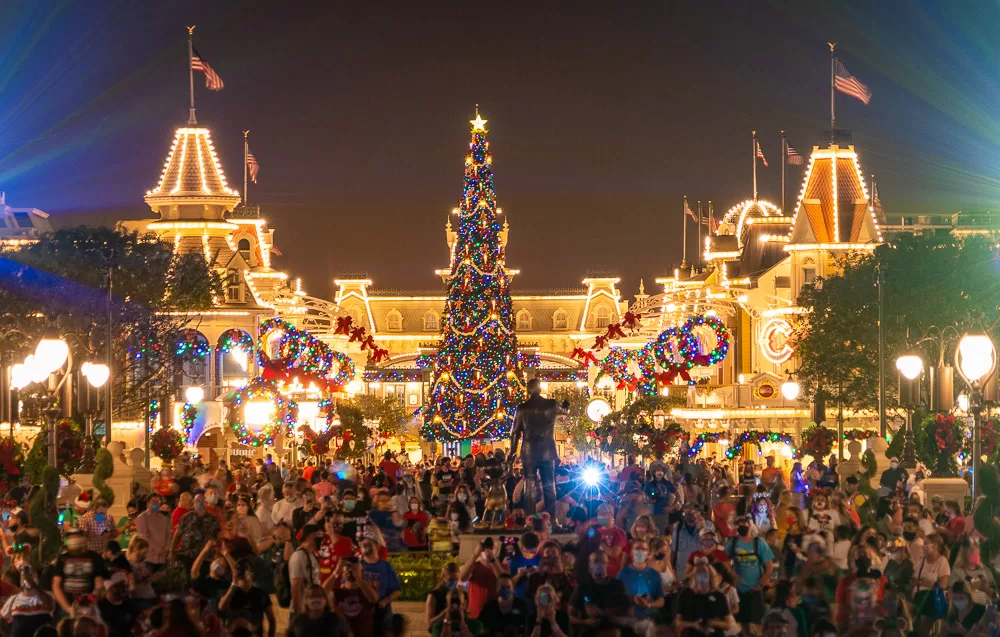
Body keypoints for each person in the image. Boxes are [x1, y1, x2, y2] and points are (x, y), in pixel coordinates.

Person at [509, 378, 569, 520]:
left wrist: (512, 452)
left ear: (528, 390)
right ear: (540, 389)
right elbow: (566, 411)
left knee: (529, 483)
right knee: (549, 484)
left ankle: (530, 519)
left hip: (529, 450)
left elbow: (515, 432)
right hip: (547, 449)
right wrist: (567, 403)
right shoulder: (551, 405)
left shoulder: (522, 408)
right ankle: (552, 520)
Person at [726, 514, 774, 635]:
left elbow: (769, 566)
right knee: (742, 624)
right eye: (739, 524)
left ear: (749, 525)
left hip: (754, 589)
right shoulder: (732, 543)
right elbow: (724, 562)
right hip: (738, 590)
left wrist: (761, 584)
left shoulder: (759, 543)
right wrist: (732, 575)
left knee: (757, 624)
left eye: (744, 523)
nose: (742, 526)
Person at [568, 550, 627, 631]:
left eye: (602, 562)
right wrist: (584, 622)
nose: (599, 564)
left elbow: (627, 611)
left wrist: (607, 614)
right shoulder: (582, 588)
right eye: (596, 561)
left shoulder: (617, 585)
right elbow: (569, 616)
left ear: (607, 564)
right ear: (590, 564)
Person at [218, 559, 276, 637]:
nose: (242, 573)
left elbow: (272, 620)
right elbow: (221, 608)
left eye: (244, 570)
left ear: (252, 573)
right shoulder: (229, 592)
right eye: (239, 571)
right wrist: (233, 584)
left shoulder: (262, 594)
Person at [675, 560, 733, 637]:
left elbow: (728, 625)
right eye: (699, 576)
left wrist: (714, 623)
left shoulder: (719, 597)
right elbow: (677, 622)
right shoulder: (687, 595)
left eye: (705, 576)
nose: (702, 579)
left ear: (710, 577)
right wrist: (692, 624)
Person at [169, 494, 222, 577]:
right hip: (188, 555)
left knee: (201, 580)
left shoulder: (213, 519)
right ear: (193, 503)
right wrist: (172, 550)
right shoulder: (186, 517)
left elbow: (218, 537)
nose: (200, 503)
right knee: (189, 579)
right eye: (197, 501)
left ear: (206, 503)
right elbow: (177, 534)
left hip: (205, 557)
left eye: (202, 501)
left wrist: (218, 553)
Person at [616, 538, 665, 623]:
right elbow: (616, 597)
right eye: (637, 548)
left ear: (648, 553)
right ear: (631, 552)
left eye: (644, 549)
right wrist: (630, 601)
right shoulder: (623, 574)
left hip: (650, 616)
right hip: (629, 617)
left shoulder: (654, 575)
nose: (640, 551)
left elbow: (661, 601)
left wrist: (649, 605)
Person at [359, 535, 402, 632]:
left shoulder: (386, 567)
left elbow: (397, 591)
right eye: (363, 544)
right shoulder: (357, 566)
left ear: (377, 546)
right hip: (362, 612)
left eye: (369, 543)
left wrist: (385, 601)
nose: (365, 546)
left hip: (382, 613)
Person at [328, 559, 379, 637]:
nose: (351, 571)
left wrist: (358, 578)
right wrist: (335, 573)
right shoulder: (338, 593)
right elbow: (322, 593)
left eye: (355, 570)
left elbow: (374, 599)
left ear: (361, 572)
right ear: (343, 573)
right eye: (348, 569)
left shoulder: (367, 590)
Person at [460, 538, 507, 620]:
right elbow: (462, 578)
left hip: (496, 613)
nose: (487, 550)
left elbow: (504, 580)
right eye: (485, 547)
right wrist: (475, 555)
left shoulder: (502, 567)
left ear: (496, 550)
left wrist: (492, 560)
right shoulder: (473, 565)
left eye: (491, 548)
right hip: (475, 613)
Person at [1, 567, 54, 637]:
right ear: (20, 581)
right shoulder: (13, 599)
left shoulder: (47, 595)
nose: (27, 578)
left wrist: (32, 583)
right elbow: (1, 619)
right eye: (23, 576)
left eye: (31, 575)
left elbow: (50, 604)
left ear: (37, 579)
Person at [286, 583, 351, 637]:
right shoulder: (298, 621)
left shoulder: (335, 620)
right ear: (306, 600)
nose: (316, 599)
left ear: (325, 600)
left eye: (319, 596)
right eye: (312, 596)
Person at [289, 523, 323, 618]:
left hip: (311, 610)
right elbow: (296, 587)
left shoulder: (312, 556)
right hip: (302, 612)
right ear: (309, 535)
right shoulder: (299, 556)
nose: (321, 538)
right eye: (319, 535)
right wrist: (297, 615)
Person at [135, 493, 171, 572]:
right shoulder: (142, 517)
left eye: (158, 502)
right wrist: (157, 550)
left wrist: (166, 548)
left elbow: (168, 535)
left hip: (162, 557)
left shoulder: (163, 518)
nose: (156, 504)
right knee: (147, 581)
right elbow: (143, 538)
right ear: (148, 504)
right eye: (154, 502)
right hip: (148, 558)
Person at [97, 571, 140, 637]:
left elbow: (137, 625)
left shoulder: (131, 605)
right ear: (109, 588)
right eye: (118, 586)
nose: (123, 589)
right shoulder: (99, 607)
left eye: (125, 586)